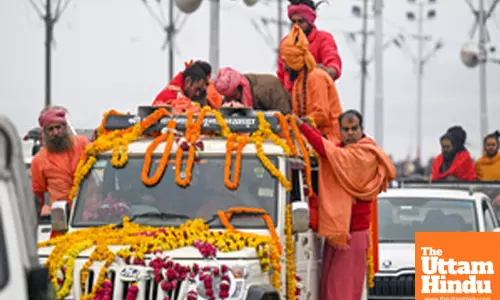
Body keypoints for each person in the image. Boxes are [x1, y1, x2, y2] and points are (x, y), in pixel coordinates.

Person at [295, 109, 396, 300]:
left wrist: (303, 127)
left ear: (362, 130)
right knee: (329, 288)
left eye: (354, 128)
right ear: (339, 131)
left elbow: (326, 151)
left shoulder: (365, 154)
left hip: (354, 233)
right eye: (346, 129)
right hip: (338, 232)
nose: (350, 133)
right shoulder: (341, 152)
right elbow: (329, 152)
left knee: (341, 292)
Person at [280, 24, 343, 142]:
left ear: (294, 61)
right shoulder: (299, 81)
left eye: (285, 62)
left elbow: (321, 115)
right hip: (310, 136)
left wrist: (297, 122)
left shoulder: (316, 77)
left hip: (330, 140)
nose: (284, 67)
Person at [30, 107, 90, 219]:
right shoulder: (39, 160)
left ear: (65, 127)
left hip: (92, 216)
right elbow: (38, 195)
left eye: (58, 127)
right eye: (50, 129)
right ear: (45, 133)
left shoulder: (82, 144)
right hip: (62, 220)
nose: (55, 132)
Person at [277, 0, 342, 94]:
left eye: (301, 22)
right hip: (291, 100)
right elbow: (281, 75)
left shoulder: (323, 38)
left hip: (317, 97)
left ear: (310, 22)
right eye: (293, 22)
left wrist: (326, 72)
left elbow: (333, 63)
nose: (296, 26)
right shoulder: (285, 43)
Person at [213, 67, 292, 114]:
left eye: (233, 96)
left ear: (240, 86)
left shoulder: (266, 89)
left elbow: (285, 117)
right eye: (228, 98)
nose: (232, 101)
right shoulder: (229, 97)